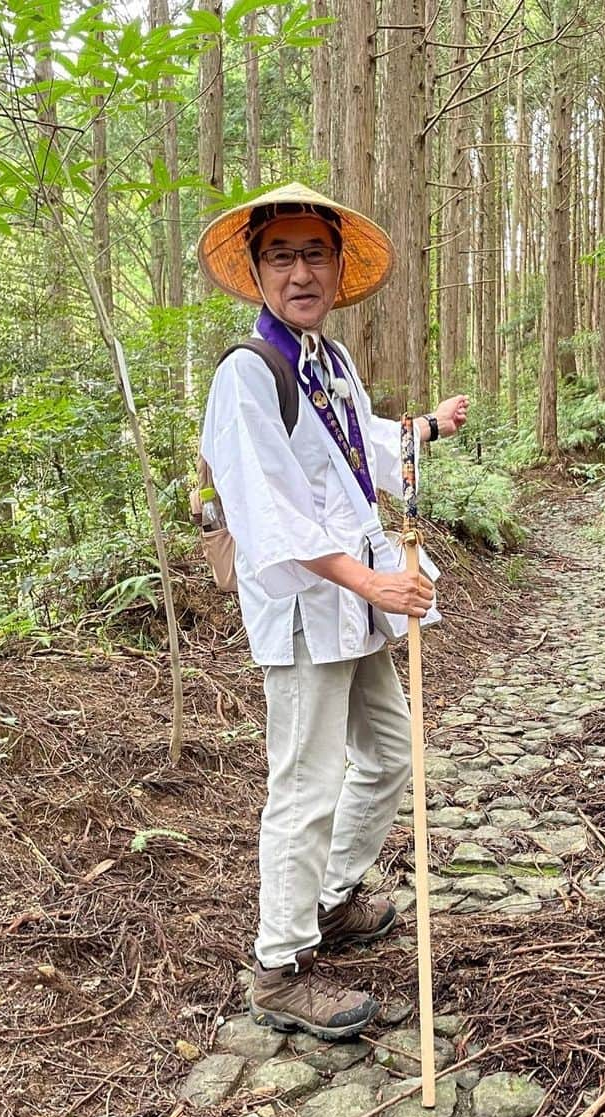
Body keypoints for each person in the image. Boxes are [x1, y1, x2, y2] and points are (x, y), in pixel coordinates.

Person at [197, 182, 468, 1040]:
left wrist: (422, 428)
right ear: (257, 273)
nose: (301, 271)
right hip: (310, 608)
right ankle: (280, 967)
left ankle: (333, 896)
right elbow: (271, 509)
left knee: (390, 752)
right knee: (306, 783)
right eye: (282, 256)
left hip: (354, 604)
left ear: (338, 266)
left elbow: (360, 444)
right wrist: (371, 582)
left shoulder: (330, 360)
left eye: (315, 253)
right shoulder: (250, 374)